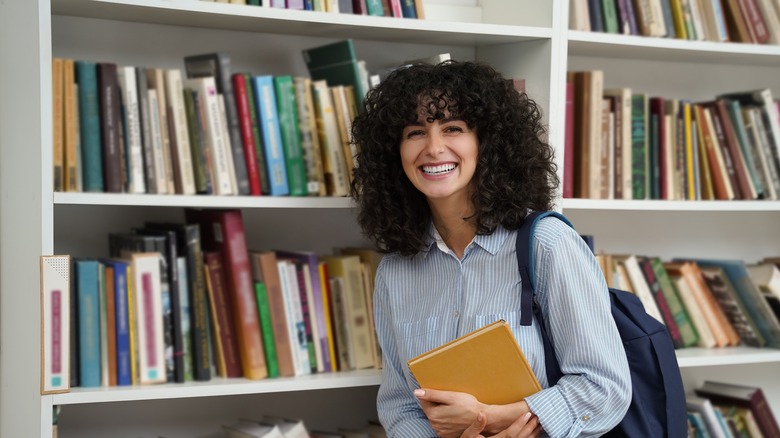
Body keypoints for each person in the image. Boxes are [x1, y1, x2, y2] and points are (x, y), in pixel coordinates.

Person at [349, 60, 631, 437]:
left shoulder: (548, 245)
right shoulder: (395, 272)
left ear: (488, 142)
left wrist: (501, 418)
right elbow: (400, 403)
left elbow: (605, 388)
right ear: (394, 152)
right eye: (415, 132)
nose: (433, 148)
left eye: (453, 128)